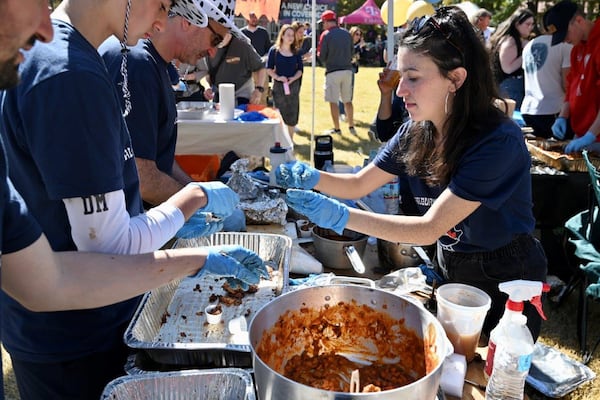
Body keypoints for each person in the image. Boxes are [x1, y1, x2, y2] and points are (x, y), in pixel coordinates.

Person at [0, 0, 265, 398]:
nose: (162, 20)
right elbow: (112, 245)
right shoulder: (70, 73)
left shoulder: (76, 59)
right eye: (161, 4)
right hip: (77, 336)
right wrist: (191, 200)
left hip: (68, 321)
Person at [276, 6, 547, 342]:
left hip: (505, 277)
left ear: (456, 79)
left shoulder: (497, 142)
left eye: (414, 77)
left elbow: (428, 228)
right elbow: (360, 182)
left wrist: (340, 216)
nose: (400, 90)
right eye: (400, 75)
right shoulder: (415, 131)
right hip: (452, 262)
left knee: (491, 370)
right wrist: (310, 176)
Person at [99, 8, 246, 230]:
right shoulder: (137, 65)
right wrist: (199, 203)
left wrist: (197, 191)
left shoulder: (155, 64)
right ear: (189, 20)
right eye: (215, 38)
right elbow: (142, 177)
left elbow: (159, 160)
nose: (213, 52)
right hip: (116, 230)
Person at [546, 1, 600, 154]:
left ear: (579, 21)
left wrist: (590, 135)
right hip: (583, 135)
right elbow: (571, 89)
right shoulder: (576, 51)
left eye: (565, 34)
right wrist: (562, 116)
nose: (564, 40)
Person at [521, 33, 572, 138]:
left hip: (528, 109)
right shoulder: (565, 45)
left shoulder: (528, 45)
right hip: (553, 110)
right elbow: (567, 84)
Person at [318, 10, 356, 136]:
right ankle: (351, 126)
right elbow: (352, 52)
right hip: (347, 70)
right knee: (348, 100)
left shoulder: (326, 34)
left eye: (323, 22)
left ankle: (337, 129)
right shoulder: (346, 34)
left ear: (326, 22)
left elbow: (322, 56)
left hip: (332, 71)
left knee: (333, 101)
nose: (322, 25)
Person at [489, 8, 535, 110]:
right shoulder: (511, 41)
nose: (531, 28)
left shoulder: (512, 39)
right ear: (517, 24)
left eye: (532, 24)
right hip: (510, 87)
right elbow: (508, 68)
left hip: (507, 86)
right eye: (527, 24)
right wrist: (526, 51)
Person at [205, 34, 267, 105]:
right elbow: (208, 72)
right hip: (219, 95)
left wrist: (258, 89)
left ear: (228, 32)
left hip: (241, 95)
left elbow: (261, 67)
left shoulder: (243, 46)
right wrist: (208, 87)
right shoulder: (210, 47)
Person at [266, 24, 303, 141]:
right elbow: (268, 69)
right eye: (288, 35)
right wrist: (278, 77)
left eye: (292, 35)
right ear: (282, 36)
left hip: (293, 86)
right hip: (279, 86)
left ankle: (290, 141)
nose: (291, 38)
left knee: (292, 113)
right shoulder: (274, 51)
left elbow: (300, 70)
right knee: (279, 113)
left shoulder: (296, 52)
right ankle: (280, 140)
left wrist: (293, 78)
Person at [338, 26, 365, 123]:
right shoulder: (347, 43)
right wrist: (359, 47)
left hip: (352, 69)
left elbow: (361, 57)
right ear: (352, 34)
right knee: (343, 92)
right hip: (345, 69)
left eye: (360, 35)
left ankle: (346, 113)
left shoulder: (357, 46)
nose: (358, 37)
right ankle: (341, 113)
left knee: (350, 93)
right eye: (357, 34)